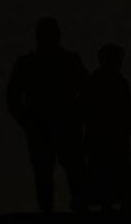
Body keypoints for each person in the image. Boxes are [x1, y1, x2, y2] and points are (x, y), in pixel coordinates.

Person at [6, 17, 89, 212]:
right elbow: (13, 97)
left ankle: (70, 211)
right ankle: (60, 212)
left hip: (59, 125)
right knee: (50, 173)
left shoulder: (63, 61)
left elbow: (88, 90)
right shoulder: (37, 63)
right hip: (47, 126)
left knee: (67, 171)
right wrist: (26, 120)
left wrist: (79, 114)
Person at [80, 43, 131, 211]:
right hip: (104, 135)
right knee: (106, 167)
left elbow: (127, 106)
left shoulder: (107, 81)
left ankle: (119, 202)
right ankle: (110, 203)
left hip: (111, 134)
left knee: (115, 167)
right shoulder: (103, 81)